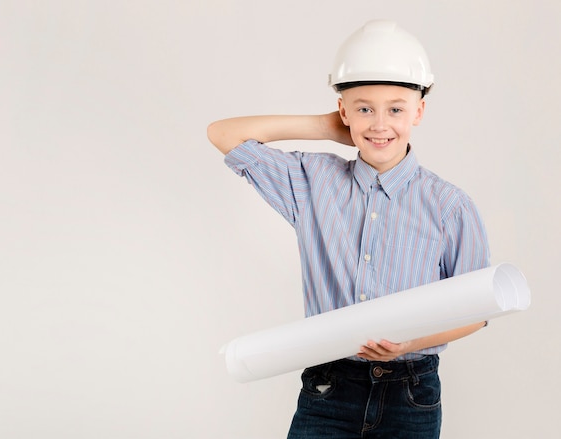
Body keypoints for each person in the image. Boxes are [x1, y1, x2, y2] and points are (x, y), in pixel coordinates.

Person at [207, 20, 490, 439]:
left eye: (395, 109)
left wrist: (409, 343)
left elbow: (478, 310)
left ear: (419, 111)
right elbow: (223, 133)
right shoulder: (311, 180)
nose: (379, 124)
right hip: (329, 386)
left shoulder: (449, 205)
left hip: (411, 390)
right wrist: (326, 127)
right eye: (363, 108)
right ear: (343, 111)